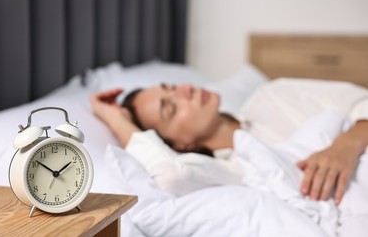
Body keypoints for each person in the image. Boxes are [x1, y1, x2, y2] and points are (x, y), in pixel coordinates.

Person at [90, 79, 368, 205]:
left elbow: (361, 100)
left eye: (172, 87)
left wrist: (348, 143)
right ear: (179, 145)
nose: (186, 90)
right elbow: (170, 173)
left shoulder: (273, 95)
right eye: (171, 108)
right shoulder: (228, 177)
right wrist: (115, 119)